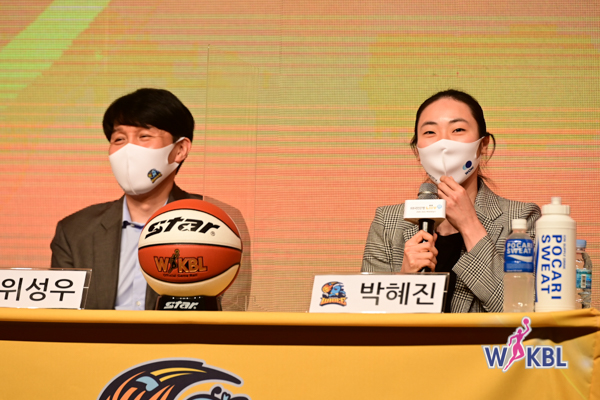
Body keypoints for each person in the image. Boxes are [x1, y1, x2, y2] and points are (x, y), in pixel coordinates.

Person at [361, 89, 541, 313]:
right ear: (417, 151)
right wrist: (403, 280)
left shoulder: (521, 219)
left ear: (483, 144)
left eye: (458, 130)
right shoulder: (387, 223)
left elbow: (527, 314)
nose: (443, 143)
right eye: (430, 132)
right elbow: (367, 318)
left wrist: (469, 225)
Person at [51, 88, 201, 310]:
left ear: (179, 149)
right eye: (119, 139)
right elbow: (61, 318)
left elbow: (230, 313)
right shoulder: (75, 231)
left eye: (144, 136)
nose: (129, 150)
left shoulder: (215, 223)